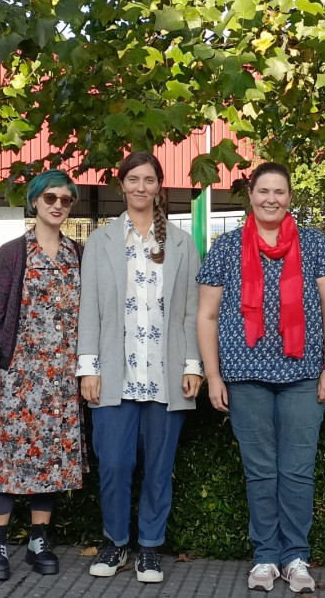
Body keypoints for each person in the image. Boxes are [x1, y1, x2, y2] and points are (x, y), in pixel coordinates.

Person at [196, 162, 325, 594]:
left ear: (290, 198)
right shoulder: (225, 248)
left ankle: (295, 556)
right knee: (260, 471)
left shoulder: (316, 245)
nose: (271, 199)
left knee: (297, 470)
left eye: (279, 191)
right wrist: (213, 374)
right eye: (263, 191)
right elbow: (206, 316)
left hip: (302, 374)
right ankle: (265, 556)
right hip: (244, 376)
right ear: (251, 195)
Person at [76, 151, 202, 584]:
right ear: (122, 186)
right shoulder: (101, 241)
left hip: (165, 377)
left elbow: (190, 312)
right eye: (133, 179)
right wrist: (88, 368)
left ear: (158, 186)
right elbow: (88, 311)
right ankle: (115, 542)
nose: (141, 187)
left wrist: (193, 366)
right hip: (114, 376)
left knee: (158, 467)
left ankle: (149, 548)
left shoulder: (182, 243)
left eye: (149, 180)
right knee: (112, 463)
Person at [0, 168, 85, 582]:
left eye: (66, 200)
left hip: (60, 379)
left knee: (49, 460)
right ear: (35, 201)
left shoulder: (79, 254)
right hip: (17, 376)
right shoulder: (13, 253)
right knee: (4, 457)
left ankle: (39, 540)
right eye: (50, 198)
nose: (57, 205)